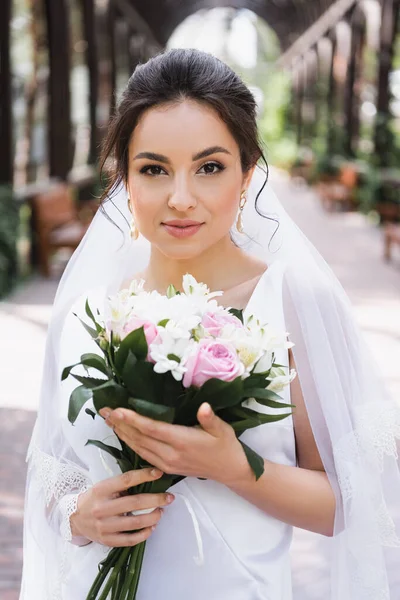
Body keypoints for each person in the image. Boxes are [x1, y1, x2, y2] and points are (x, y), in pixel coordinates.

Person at [20, 48, 400, 600]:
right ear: (124, 178)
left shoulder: (292, 300)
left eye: (210, 167)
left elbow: (351, 505)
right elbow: (53, 476)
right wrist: (78, 515)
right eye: (153, 169)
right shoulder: (88, 310)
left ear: (246, 175)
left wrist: (236, 467)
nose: (180, 199)